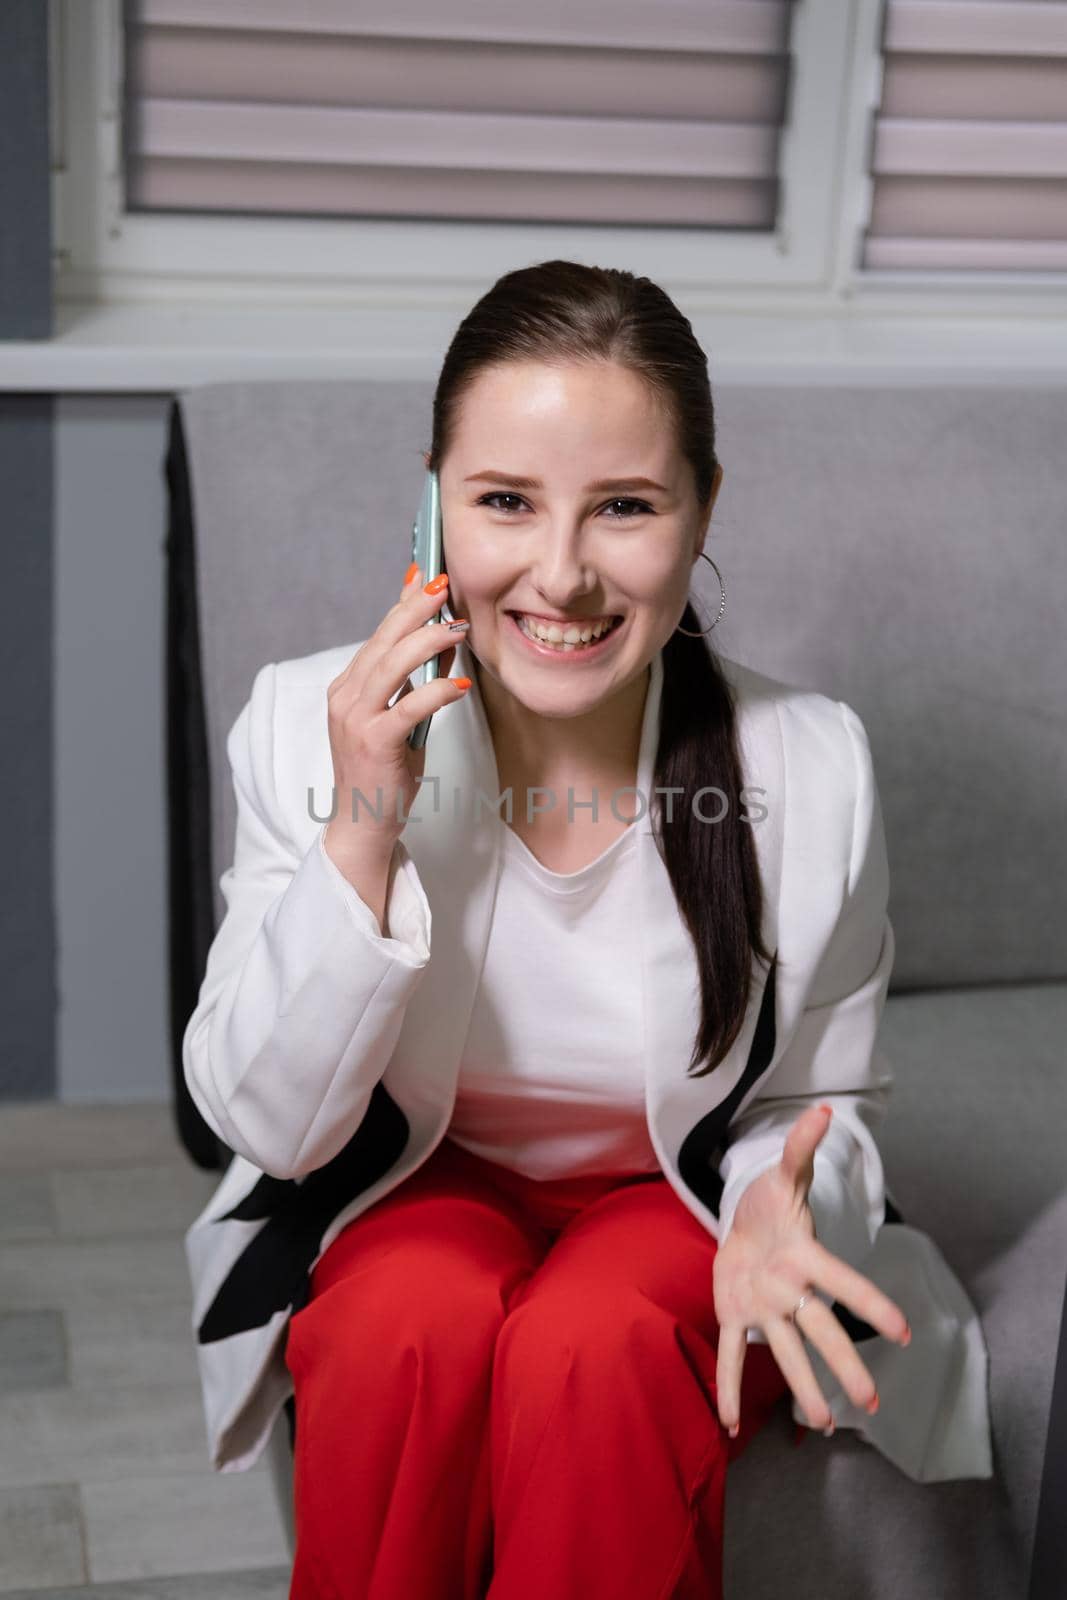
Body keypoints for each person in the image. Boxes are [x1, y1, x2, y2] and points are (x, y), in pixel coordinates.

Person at [182, 260, 990, 1600]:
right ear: (432, 500)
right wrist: (363, 831)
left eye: (623, 507)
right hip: (413, 1184)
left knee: (597, 1342)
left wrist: (793, 1210)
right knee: (400, 1326)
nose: (559, 576)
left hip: (663, 1197)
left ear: (700, 510)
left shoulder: (816, 765)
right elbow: (268, 1126)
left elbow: (815, 1107)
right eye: (504, 502)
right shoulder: (298, 724)